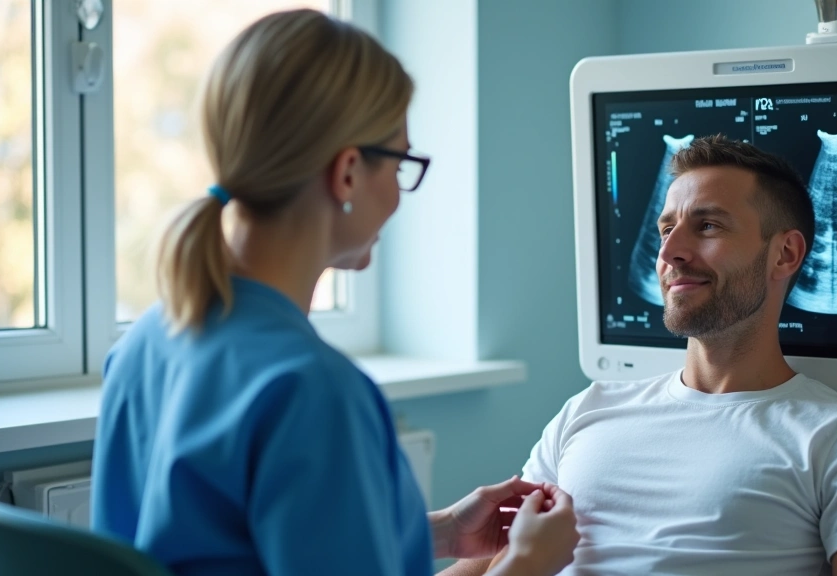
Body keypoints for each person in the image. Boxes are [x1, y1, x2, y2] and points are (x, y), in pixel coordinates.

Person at [89, 9, 579, 576]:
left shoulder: (148, 341)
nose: (398, 195)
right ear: (347, 173)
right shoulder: (314, 392)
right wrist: (525, 565)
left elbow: (230, 544)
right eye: (400, 165)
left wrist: (440, 531)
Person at [442, 135, 837, 576]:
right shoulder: (586, 411)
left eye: (707, 227)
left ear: (785, 254)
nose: (670, 251)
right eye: (666, 229)